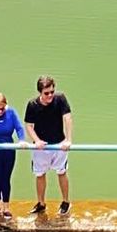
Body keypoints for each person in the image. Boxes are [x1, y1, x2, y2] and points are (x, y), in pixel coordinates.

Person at [23, 75, 72, 216]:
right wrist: (37, 141)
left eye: (52, 92)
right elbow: (29, 125)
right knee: (39, 174)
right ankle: (41, 203)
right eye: (46, 93)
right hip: (41, 147)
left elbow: (67, 118)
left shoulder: (60, 99)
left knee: (62, 172)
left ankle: (65, 202)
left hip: (59, 144)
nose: (50, 95)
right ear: (40, 93)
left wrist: (68, 140)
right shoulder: (32, 105)